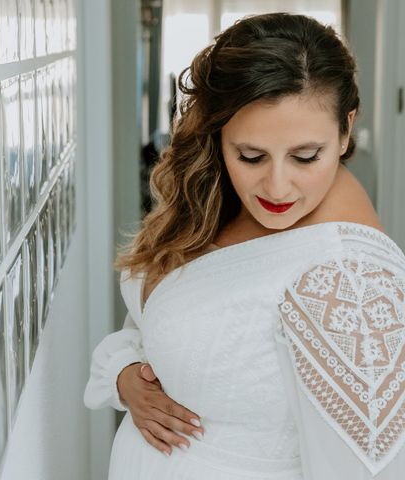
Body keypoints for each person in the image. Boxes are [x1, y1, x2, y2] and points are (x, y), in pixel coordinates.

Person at [83, 12, 405, 479]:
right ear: (217, 134)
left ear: (345, 129)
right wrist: (126, 373)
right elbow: (160, 321)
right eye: (250, 155)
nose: (277, 187)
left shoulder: (348, 280)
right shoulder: (216, 197)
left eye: (305, 156)